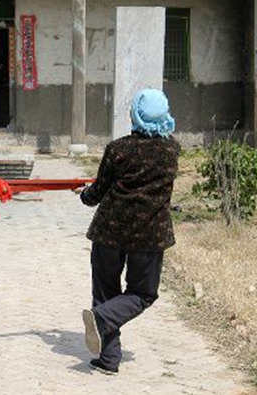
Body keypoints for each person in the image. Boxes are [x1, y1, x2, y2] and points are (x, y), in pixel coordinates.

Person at [77, 89, 181, 375]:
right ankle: (108, 358)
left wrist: (84, 194)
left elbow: (98, 192)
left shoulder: (117, 149)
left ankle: (105, 337)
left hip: (109, 231)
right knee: (142, 294)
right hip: (149, 235)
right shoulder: (172, 150)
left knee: (106, 294)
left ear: (134, 115)